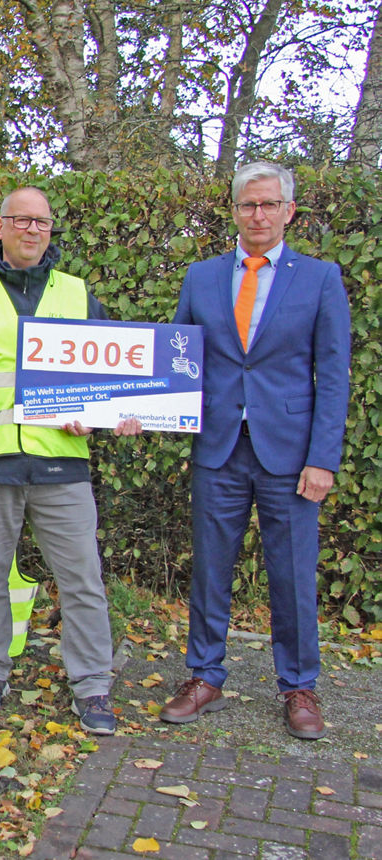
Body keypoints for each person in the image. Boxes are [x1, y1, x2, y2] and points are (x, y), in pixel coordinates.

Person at [0, 187, 140, 735]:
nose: (33, 230)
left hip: (61, 466)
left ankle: (92, 684)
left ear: (51, 230)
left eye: (42, 222)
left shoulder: (78, 295)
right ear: (0, 226)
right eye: (22, 220)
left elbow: (118, 376)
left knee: (82, 578)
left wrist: (121, 412)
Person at [160, 162, 351, 740]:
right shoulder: (202, 277)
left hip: (290, 455)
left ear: (289, 212)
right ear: (235, 211)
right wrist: (139, 407)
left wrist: (323, 459)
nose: (258, 215)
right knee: (211, 570)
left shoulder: (319, 278)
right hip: (218, 448)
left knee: (292, 573)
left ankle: (298, 686)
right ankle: (204, 677)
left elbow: (334, 375)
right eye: (248, 205)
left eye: (269, 205)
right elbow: (177, 360)